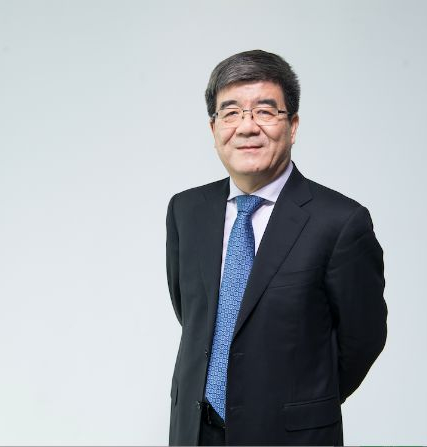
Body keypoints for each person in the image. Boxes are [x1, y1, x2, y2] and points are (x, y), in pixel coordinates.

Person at [166, 49, 387, 446]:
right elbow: (194, 316)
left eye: (265, 111)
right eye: (231, 112)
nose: (247, 127)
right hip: (196, 432)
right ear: (214, 129)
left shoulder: (340, 222)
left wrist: (301, 403)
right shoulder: (186, 211)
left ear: (293, 125)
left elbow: (362, 340)